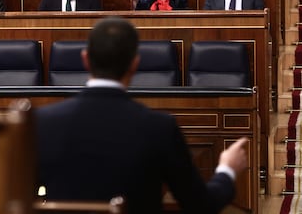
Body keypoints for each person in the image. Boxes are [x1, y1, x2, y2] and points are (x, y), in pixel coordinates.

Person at [35, 16, 247, 214]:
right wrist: (227, 170)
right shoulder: (159, 127)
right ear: (135, 63)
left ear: (85, 59)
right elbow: (200, 204)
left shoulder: (43, 122)